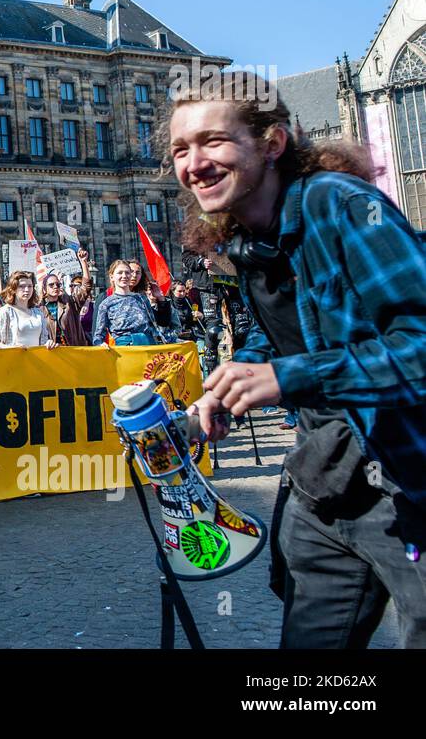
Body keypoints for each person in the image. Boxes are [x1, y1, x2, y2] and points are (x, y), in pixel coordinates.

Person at [171, 74, 426, 649]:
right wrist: (229, 388)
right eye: (181, 150)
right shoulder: (244, 238)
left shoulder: (340, 206)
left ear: (272, 142)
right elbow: (283, 339)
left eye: (213, 141)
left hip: (406, 480)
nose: (194, 163)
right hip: (327, 485)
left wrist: (286, 378)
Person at [91, 260, 160, 346]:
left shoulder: (141, 298)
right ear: (112, 277)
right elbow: (98, 335)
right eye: (120, 273)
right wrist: (100, 344)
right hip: (124, 349)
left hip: (147, 345)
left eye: (127, 272)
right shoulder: (106, 303)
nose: (124, 276)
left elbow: (153, 326)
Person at [0, 271, 56, 349]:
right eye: (22, 286)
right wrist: (11, 348)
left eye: (30, 286)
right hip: (13, 360)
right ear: (13, 289)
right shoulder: (5, 312)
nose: (27, 289)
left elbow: (43, 342)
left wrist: (48, 343)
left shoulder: (38, 312)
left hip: (36, 360)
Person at [40, 250, 92, 346]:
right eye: (51, 285)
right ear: (44, 289)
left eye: (58, 284)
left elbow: (86, 287)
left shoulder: (69, 302)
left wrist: (84, 262)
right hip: (52, 351)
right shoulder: (39, 308)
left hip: (72, 348)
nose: (55, 287)